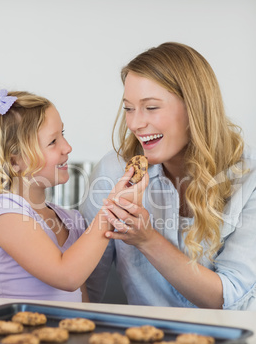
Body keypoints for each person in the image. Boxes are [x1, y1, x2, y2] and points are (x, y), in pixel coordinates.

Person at [81, 42, 256, 310]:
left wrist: (147, 239)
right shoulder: (113, 172)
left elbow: (229, 298)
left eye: (151, 108)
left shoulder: (248, 177)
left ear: (194, 109)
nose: (136, 124)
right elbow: (86, 284)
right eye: (129, 108)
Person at [0, 89, 147, 302]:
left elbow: (80, 300)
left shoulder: (71, 220)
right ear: (14, 161)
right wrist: (111, 209)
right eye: (52, 142)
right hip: (20, 333)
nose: (67, 147)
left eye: (63, 135)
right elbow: (66, 276)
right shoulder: (4, 212)